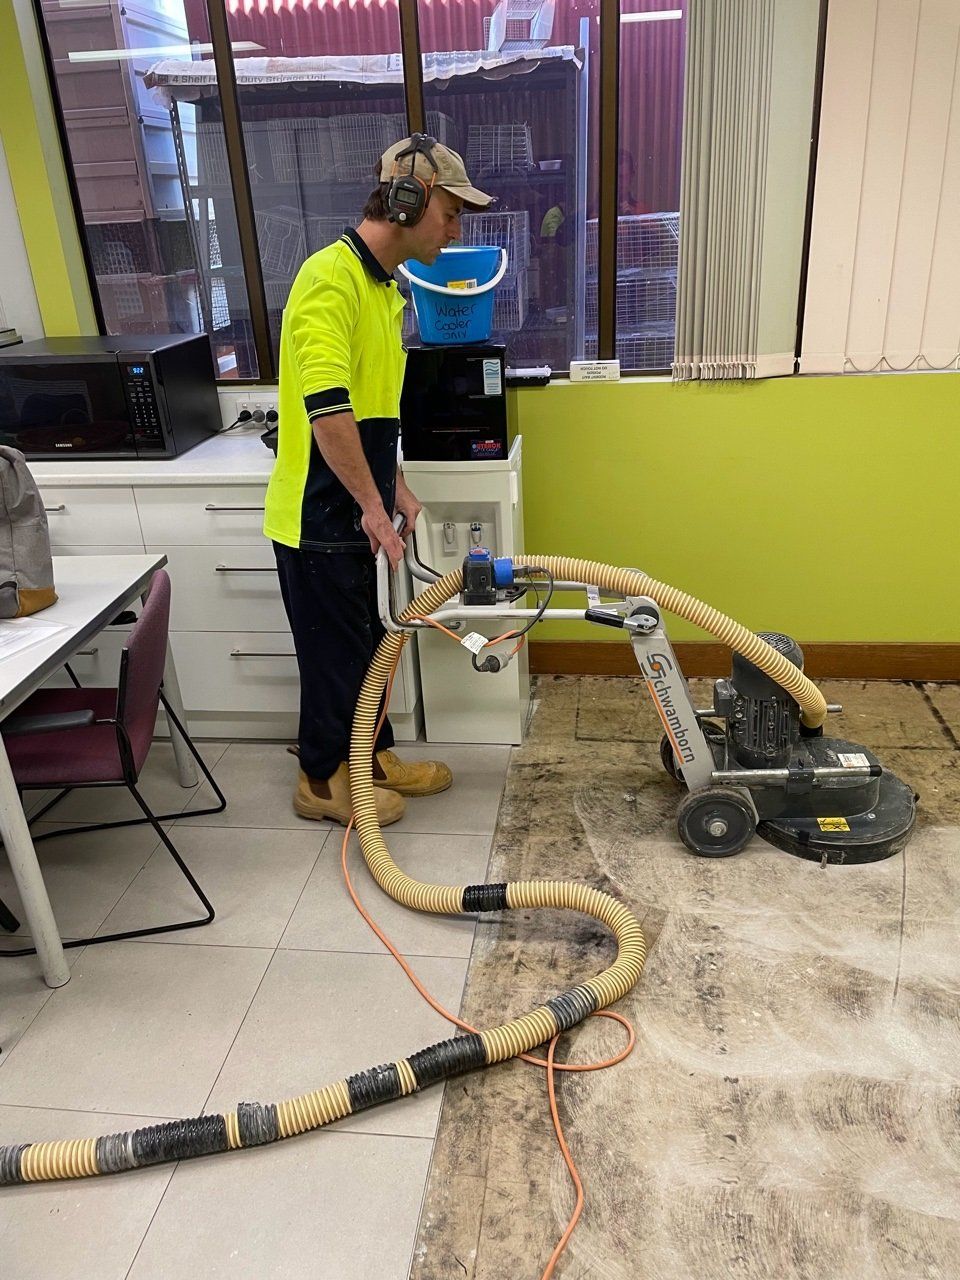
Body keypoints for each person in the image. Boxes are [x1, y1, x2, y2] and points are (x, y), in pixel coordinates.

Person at [264, 136, 494, 827]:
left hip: (355, 506)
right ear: (408, 200)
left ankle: (369, 756)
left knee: (370, 644)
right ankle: (320, 778)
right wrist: (369, 502)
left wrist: (393, 491)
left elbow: (371, 416)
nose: (456, 232)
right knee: (334, 655)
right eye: (450, 214)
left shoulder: (381, 289)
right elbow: (328, 409)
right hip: (315, 514)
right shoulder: (328, 279)